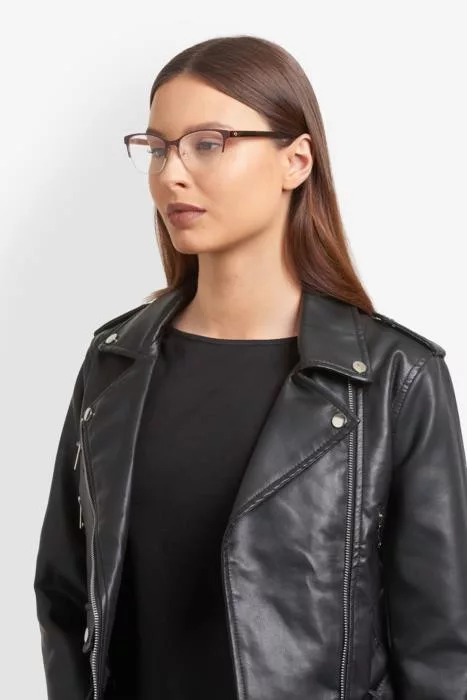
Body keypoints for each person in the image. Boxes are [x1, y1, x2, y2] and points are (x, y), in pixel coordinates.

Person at [33, 34, 467, 700]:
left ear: (296, 161)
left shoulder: (393, 378)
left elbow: (441, 650)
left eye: (208, 143)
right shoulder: (114, 362)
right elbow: (65, 598)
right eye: (157, 147)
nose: (171, 175)